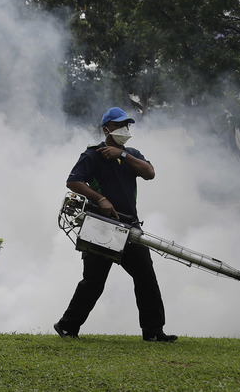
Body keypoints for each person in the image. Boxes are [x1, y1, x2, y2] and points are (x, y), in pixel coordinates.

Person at [54, 107, 177, 342]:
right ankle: (67, 326)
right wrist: (100, 199)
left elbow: (150, 172)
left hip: (130, 228)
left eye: (127, 125)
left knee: (146, 277)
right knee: (94, 282)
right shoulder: (92, 155)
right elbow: (73, 181)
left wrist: (122, 155)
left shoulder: (131, 154)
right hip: (100, 226)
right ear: (106, 129)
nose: (125, 130)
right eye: (120, 125)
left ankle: (153, 332)